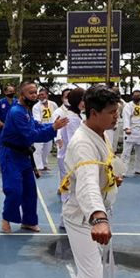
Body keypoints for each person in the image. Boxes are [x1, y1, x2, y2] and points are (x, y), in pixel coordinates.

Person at [57, 86, 123, 278]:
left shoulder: (101, 133)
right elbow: (85, 184)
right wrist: (98, 216)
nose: (116, 117)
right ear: (93, 113)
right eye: (111, 113)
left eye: (117, 111)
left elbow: (103, 166)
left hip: (98, 211)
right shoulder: (83, 143)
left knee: (96, 261)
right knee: (90, 277)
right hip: (83, 217)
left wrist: (113, 176)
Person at [0, 82, 68, 233]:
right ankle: (6, 218)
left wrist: (52, 126)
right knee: (14, 190)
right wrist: (53, 128)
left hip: (23, 155)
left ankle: (28, 221)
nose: (34, 95)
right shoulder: (17, 112)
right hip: (10, 154)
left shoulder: (26, 110)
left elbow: (35, 126)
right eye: (31, 92)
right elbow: (31, 135)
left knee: (30, 190)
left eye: (35, 92)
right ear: (22, 95)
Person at [56, 88, 85, 229]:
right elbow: (75, 140)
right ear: (77, 101)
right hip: (69, 158)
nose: (85, 103)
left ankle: (66, 219)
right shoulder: (72, 118)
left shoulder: (76, 115)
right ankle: (66, 220)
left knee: (71, 189)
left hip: (70, 157)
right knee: (68, 190)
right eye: (83, 100)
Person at [121, 90, 140, 175]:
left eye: (138, 95)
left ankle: (138, 169)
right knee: (126, 153)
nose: (136, 97)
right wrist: (127, 128)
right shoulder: (128, 106)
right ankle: (123, 170)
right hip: (130, 131)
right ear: (132, 96)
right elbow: (126, 117)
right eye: (135, 95)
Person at [0, 84, 17, 172]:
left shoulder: (17, 102)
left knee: (15, 146)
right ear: (5, 92)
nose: (12, 93)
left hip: (14, 129)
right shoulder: (0, 102)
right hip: (3, 129)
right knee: (1, 147)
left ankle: (14, 163)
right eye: (10, 91)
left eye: (13, 91)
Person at [32, 88, 58, 171]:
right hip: (40, 129)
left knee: (47, 148)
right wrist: (44, 129)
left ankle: (44, 164)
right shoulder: (36, 106)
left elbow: (57, 114)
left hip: (51, 128)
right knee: (38, 149)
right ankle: (38, 167)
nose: (41, 96)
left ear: (47, 95)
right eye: (39, 95)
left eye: (43, 94)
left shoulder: (53, 104)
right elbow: (37, 120)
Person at [53, 88, 73, 181]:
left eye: (70, 97)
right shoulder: (58, 112)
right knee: (64, 167)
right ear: (62, 98)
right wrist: (58, 140)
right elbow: (54, 126)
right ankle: (63, 187)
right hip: (63, 142)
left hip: (74, 142)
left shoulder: (77, 110)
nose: (68, 99)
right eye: (66, 97)